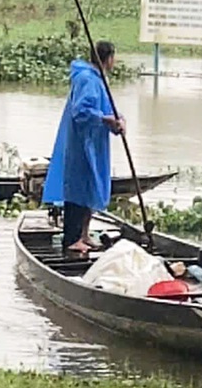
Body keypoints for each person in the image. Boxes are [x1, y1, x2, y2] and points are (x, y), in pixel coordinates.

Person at [42, 41, 125, 253]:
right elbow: (81, 112)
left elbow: (106, 110)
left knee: (90, 189)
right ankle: (72, 238)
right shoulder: (87, 79)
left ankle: (84, 234)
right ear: (107, 59)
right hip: (82, 144)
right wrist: (106, 120)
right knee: (78, 190)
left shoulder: (99, 80)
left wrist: (117, 122)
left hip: (95, 144)